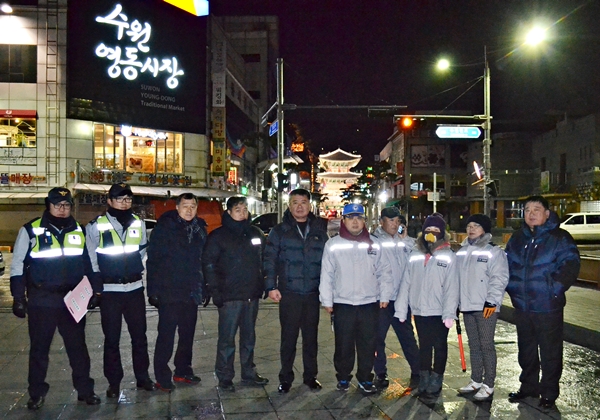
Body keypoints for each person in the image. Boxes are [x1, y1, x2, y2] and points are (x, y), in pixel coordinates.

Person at [10, 187, 101, 410]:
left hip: (72, 300)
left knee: (78, 349)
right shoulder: (31, 230)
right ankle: (36, 393)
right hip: (42, 299)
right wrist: (18, 297)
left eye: (66, 205)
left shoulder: (79, 230)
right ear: (48, 205)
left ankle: (85, 390)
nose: (62, 209)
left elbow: (90, 262)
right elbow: (18, 264)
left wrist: (96, 290)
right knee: (39, 350)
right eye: (57, 205)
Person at [505, 196, 580, 409]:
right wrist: (511, 287)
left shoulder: (560, 238)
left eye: (536, 209)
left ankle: (549, 392)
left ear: (547, 213)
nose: (531, 213)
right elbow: (506, 264)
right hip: (522, 305)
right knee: (526, 349)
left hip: (547, 306)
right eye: (527, 209)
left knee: (550, 351)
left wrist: (553, 289)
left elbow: (571, 265)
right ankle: (528, 387)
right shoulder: (517, 238)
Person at [85, 183, 156, 398]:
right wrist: (98, 286)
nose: (125, 203)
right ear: (109, 201)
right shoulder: (96, 226)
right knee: (112, 339)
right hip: (110, 291)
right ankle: (114, 382)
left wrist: (133, 270)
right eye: (120, 199)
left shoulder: (138, 223)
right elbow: (91, 258)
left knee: (139, 337)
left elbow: (141, 251)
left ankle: (143, 377)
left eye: (128, 199)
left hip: (134, 289)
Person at [319, 203, 392, 396]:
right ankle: (343, 377)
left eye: (359, 217)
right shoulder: (333, 245)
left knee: (368, 344)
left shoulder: (374, 244)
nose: (355, 221)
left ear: (364, 221)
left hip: (369, 303)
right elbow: (327, 274)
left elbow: (384, 272)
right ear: (343, 220)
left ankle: (365, 378)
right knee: (343, 344)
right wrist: (327, 300)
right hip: (343, 303)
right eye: (350, 217)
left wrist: (385, 295)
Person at [264, 189, 329, 393]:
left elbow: (328, 263)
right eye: (295, 202)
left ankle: (311, 376)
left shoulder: (319, 231)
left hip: (312, 293)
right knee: (288, 339)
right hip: (289, 292)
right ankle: (285, 378)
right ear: (289, 206)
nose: (299, 207)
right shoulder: (279, 231)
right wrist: (271, 286)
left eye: (303, 202)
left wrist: (328, 291)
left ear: (310, 205)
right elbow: (269, 259)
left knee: (311, 339)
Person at [202, 196, 269, 392]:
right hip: (229, 296)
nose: (242, 213)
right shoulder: (218, 236)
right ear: (229, 212)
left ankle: (249, 372)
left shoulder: (255, 233)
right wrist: (214, 290)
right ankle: (225, 376)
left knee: (249, 338)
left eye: (245, 209)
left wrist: (264, 283)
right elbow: (209, 264)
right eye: (238, 210)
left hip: (251, 294)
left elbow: (264, 259)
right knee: (227, 339)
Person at [147, 193, 208, 392]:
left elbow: (203, 261)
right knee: (166, 336)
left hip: (191, 290)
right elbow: (153, 260)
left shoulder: (200, 229)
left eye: (193, 206)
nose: (189, 210)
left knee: (187, 335)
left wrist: (204, 287)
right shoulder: (165, 228)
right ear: (177, 207)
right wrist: (153, 290)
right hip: (169, 291)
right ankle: (162, 376)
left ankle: (183, 370)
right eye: (185, 206)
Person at [395, 213, 459, 398]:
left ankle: (437, 378)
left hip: (439, 310)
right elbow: (406, 283)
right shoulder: (415, 254)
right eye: (428, 229)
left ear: (442, 232)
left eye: (436, 230)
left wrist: (449, 313)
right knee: (424, 345)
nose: (431, 233)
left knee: (439, 345)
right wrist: (401, 309)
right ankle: (424, 376)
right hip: (420, 309)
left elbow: (452, 287)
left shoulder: (448, 256)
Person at [456, 214, 509, 401]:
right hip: (467, 306)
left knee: (486, 345)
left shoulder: (493, 252)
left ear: (484, 229)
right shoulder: (462, 251)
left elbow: (499, 278)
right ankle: (476, 379)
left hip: (485, 307)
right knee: (474, 345)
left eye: (476, 226)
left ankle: (489, 383)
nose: (471, 229)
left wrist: (492, 301)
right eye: (469, 225)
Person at [372, 207, 420, 389]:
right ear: (381, 221)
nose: (394, 224)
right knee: (377, 338)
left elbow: (417, 256)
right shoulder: (374, 241)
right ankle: (380, 373)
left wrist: (405, 239)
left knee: (407, 336)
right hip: (381, 299)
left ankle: (418, 371)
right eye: (391, 220)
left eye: (398, 221)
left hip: (401, 299)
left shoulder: (405, 241)